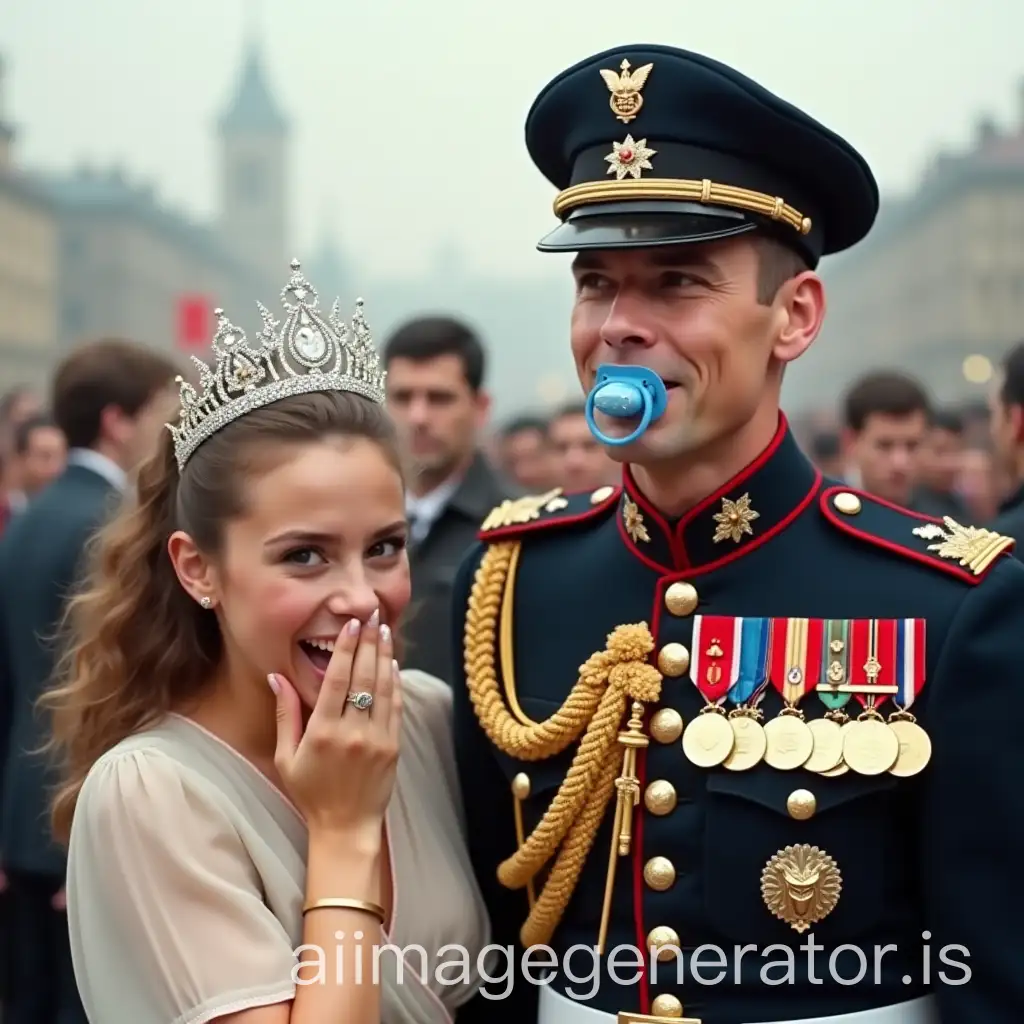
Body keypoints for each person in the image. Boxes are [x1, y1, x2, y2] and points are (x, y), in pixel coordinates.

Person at [450, 43, 1024, 1024]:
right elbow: (495, 960)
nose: (618, 326)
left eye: (676, 282)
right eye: (595, 283)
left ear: (794, 316)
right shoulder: (508, 583)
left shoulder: (954, 601)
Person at [44, 262, 491, 1023]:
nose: (359, 596)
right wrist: (344, 830)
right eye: (304, 556)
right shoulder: (153, 794)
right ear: (199, 569)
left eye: (384, 547)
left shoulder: (422, 721)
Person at [0, 337, 180, 1024]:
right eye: (161, 412)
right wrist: (101, 835)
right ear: (117, 420)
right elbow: (116, 684)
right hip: (82, 817)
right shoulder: (114, 527)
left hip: (24, 821)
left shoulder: (27, 518)